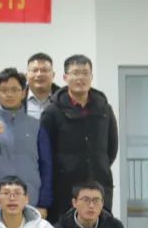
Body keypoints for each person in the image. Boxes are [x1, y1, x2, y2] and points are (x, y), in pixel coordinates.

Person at [40, 54, 119, 218]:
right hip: (64, 189)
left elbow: (111, 148)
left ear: (91, 77)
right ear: (65, 77)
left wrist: (98, 164)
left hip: (99, 185)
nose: (80, 78)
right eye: (75, 73)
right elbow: (45, 154)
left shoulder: (104, 109)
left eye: (85, 73)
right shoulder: (52, 112)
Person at [0, 68, 53, 220]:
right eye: (4, 90)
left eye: (14, 90)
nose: (9, 94)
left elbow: (46, 167)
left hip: (30, 202)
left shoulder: (36, 126)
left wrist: (44, 202)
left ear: (24, 93)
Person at [26, 52, 56, 119]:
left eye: (44, 70)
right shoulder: (16, 98)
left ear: (53, 75)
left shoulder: (63, 98)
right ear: (26, 75)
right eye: (34, 70)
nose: (39, 74)